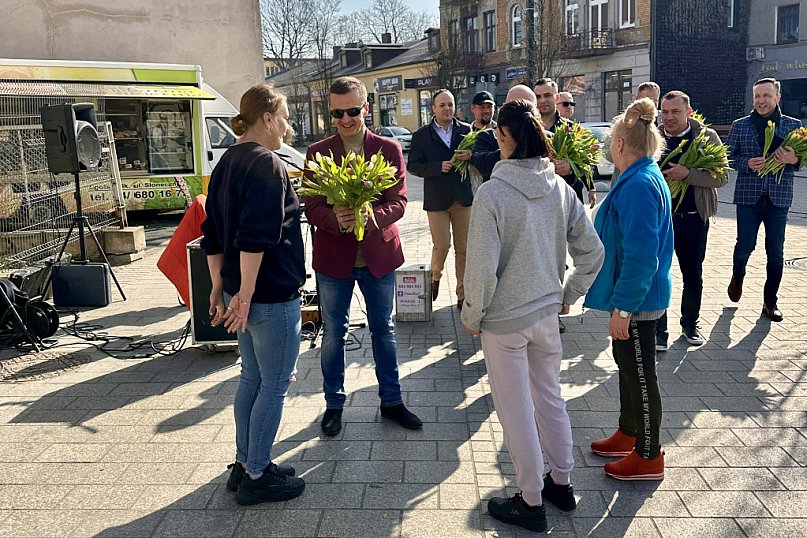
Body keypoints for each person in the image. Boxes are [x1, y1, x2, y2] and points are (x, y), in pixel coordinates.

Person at [461, 99, 604, 533]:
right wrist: (569, 294)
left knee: (516, 409)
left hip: (504, 321)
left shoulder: (492, 193)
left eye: (498, 136)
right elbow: (593, 251)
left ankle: (530, 500)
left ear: (505, 138)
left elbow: (481, 267)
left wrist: (473, 312)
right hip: (546, 313)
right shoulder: (559, 188)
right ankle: (561, 482)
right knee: (550, 399)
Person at [201, 83, 306, 505]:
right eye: (283, 117)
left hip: (245, 295)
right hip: (270, 297)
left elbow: (212, 234)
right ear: (266, 117)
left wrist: (219, 287)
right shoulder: (266, 163)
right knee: (274, 383)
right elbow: (255, 238)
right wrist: (242, 294)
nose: (287, 126)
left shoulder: (228, 160)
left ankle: (246, 462)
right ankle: (257, 475)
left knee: (252, 378)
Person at [304, 76, 422, 436]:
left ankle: (391, 401)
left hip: (378, 257)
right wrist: (333, 219)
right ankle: (334, 404)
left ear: (366, 108)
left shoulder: (388, 148)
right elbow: (310, 205)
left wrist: (374, 217)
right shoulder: (318, 152)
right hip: (334, 259)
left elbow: (399, 201)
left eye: (353, 111)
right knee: (333, 333)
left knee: (383, 330)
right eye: (338, 113)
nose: (346, 119)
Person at [584, 97, 673, 481]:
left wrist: (623, 309)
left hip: (638, 300)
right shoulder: (640, 174)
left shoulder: (639, 183)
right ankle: (629, 432)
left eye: (610, 143)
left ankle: (649, 454)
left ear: (620, 144)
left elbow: (641, 253)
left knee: (639, 372)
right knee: (626, 367)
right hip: (633, 296)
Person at [655, 91, 728, 351]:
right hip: (660, 220)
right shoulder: (653, 138)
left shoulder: (706, 137)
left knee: (693, 274)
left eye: (675, 112)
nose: (669, 117)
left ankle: (690, 323)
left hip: (694, 218)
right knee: (658, 275)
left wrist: (687, 173)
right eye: (664, 112)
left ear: (689, 112)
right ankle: (659, 331)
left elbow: (721, 177)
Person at [726, 77, 801, 322]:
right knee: (744, 245)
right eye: (757, 96)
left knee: (775, 253)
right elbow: (727, 158)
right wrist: (745, 164)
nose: (761, 101)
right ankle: (738, 275)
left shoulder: (793, 126)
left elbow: (802, 160)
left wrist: (793, 161)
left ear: (777, 97)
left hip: (778, 199)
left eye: (766, 96)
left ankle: (770, 302)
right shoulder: (741, 125)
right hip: (748, 197)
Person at [408, 89, 472, 310]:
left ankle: (462, 294)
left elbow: (479, 156)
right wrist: (437, 167)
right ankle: (435, 276)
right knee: (442, 245)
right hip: (437, 200)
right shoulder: (422, 135)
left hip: (463, 199)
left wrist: (471, 156)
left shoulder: (466, 130)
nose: (447, 109)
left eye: (450, 105)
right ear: (433, 108)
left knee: (463, 248)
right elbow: (413, 166)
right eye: (442, 105)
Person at [534, 78, 597, 208]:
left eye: (547, 95)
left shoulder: (573, 129)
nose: (542, 100)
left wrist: (571, 168)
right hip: (538, 202)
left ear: (556, 97)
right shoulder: (527, 129)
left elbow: (588, 164)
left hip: (568, 201)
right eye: (538, 97)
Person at [470, 84, 536, 182]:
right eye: (514, 106)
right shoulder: (489, 136)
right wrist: (507, 151)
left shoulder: (546, 139)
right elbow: (479, 162)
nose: (520, 113)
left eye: (527, 107)